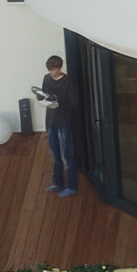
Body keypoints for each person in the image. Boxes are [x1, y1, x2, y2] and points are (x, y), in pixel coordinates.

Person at [34, 55, 80, 197]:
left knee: (67, 156)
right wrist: (42, 99)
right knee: (56, 155)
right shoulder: (47, 79)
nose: (51, 72)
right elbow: (44, 95)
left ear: (59, 68)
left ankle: (72, 186)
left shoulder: (68, 82)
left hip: (63, 123)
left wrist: (57, 103)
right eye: (50, 70)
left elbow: (73, 104)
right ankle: (58, 183)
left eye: (54, 69)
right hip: (51, 122)